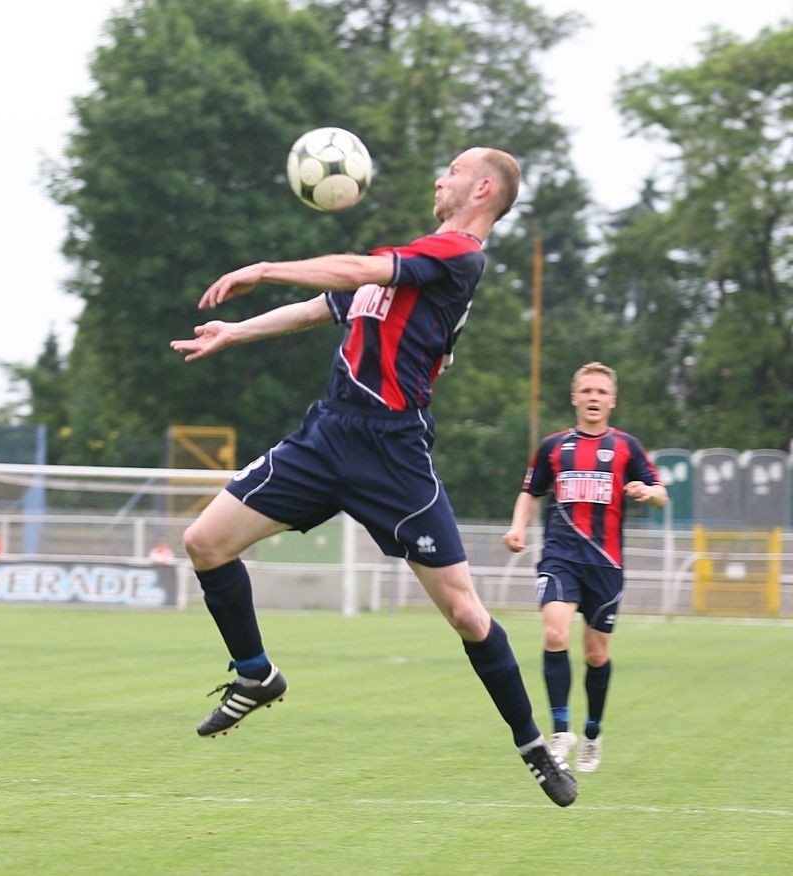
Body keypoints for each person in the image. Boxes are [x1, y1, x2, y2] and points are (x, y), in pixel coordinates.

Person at [170, 147, 577, 807]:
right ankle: (255, 674)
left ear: (481, 187)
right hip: (329, 435)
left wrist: (265, 268)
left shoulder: (457, 257)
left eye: (450, 170)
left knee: (468, 615)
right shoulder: (418, 256)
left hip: (392, 454)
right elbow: (326, 307)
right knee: (205, 542)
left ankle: (533, 746)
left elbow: (359, 266)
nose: (437, 177)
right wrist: (233, 333)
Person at [502, 362, 668, 773]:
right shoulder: (553, 447)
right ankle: (562, 731)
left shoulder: (626, 446)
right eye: (587, 391)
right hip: (561, 558)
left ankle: (592, 733)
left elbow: (662, 493)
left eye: (601, 392)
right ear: (575, 398)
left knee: (596, 654)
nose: (593, 398)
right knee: (555, 633)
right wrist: (517, 527)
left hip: (606, 565)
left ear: (612, 401)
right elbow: (530, 491)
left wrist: (647, 492)